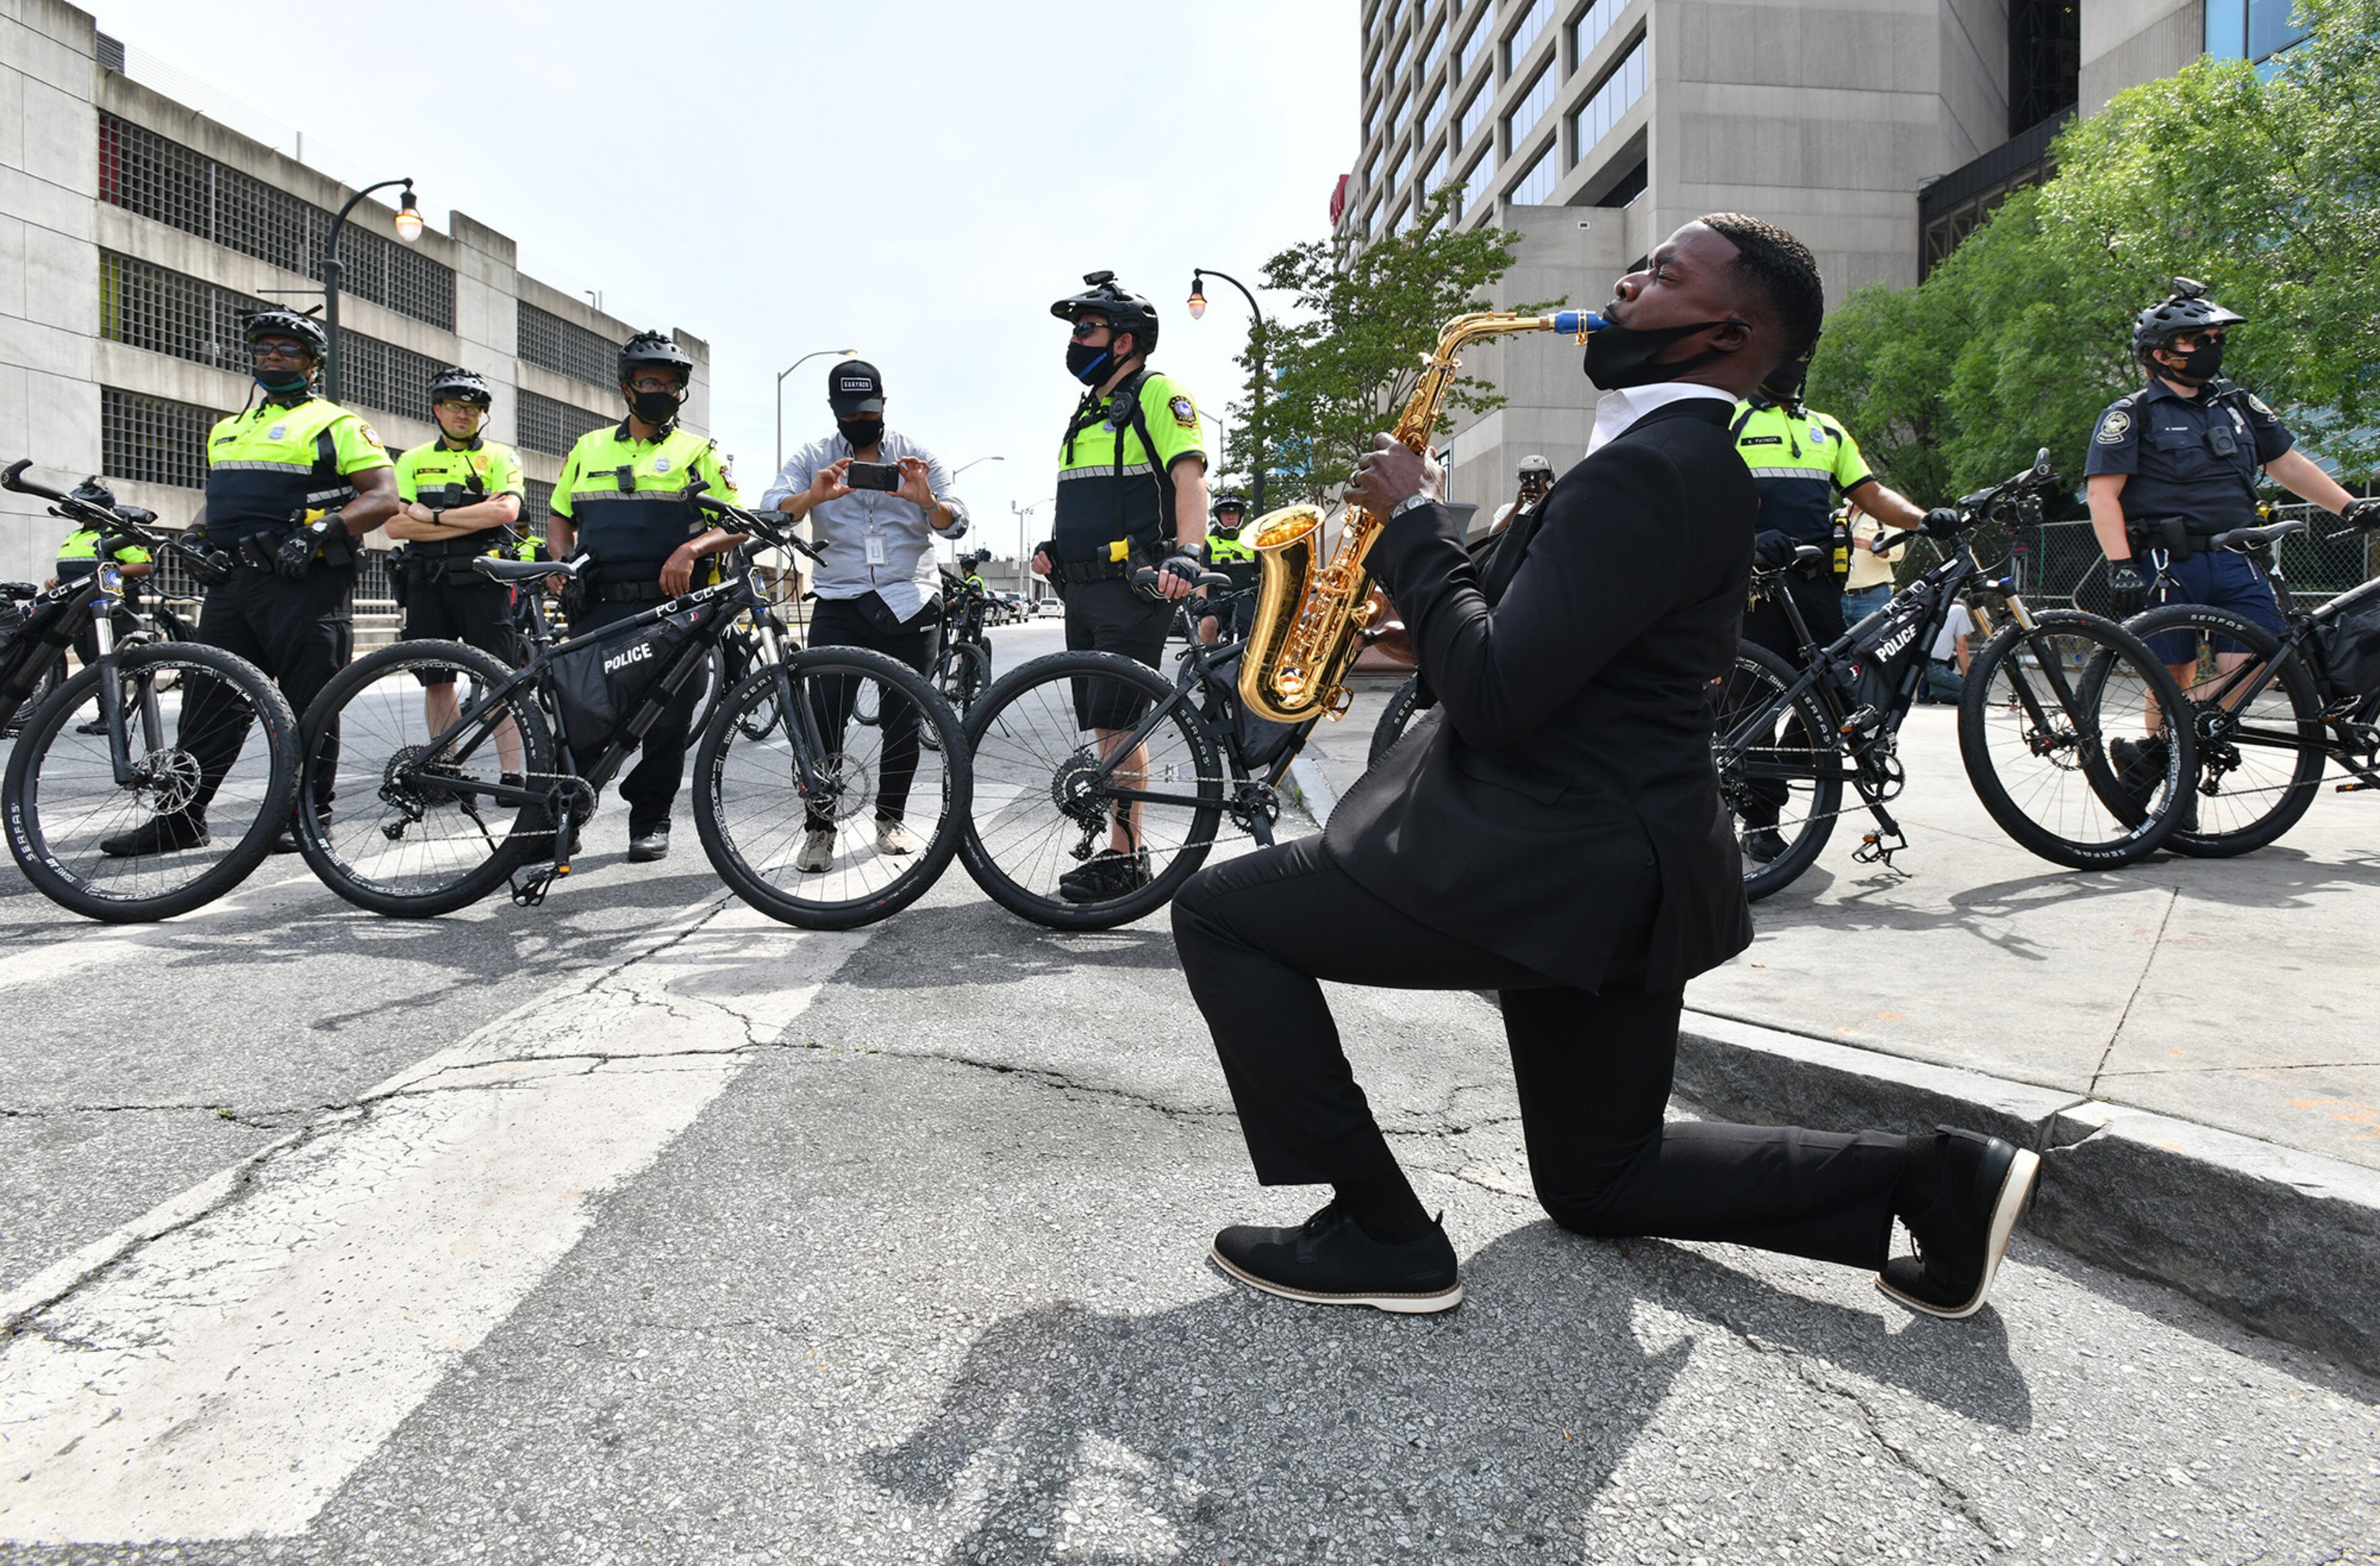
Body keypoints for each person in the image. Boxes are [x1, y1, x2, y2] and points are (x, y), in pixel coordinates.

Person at [1172, 214, 2040, 1323]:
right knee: (1600, 1178)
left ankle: (1379, 1229)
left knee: (1222, 914)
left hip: (1539, 858)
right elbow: (1527, 643)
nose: (1623, 284)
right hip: (1623, 875)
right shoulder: (1664, 463)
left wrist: (1415, 526)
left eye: (1661, 274)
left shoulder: (1653, 472)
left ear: (1726, 333)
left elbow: (1494, 691)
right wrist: (1385, 602)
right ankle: (1935, 1177)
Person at [101, 308, 400, 856]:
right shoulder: (227, 428)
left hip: (304, 582)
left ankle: (307, 814)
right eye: (263, 348)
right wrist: (194, 539)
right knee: (207, 699)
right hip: (233, 585)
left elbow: (383, 497)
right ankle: (181, 817)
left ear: (313, 365)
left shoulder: (338, 423)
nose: (272, 357)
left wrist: (321, 532)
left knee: (310, 701)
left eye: (286, 350)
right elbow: (220, 506)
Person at [2085, 278, 2378, 786]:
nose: (2212, 348)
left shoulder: (2238, 404)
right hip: (2166, 562)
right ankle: (2169, 772)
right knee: (2171, 675)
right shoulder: (2131, 414)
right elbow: (2102, 494)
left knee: (2249, 668)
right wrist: (2119, 564)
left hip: (2239, 559)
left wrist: (2349, 507)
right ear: (2161, 354)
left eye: (2217, 338)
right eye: (2199, 340)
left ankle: (2156, 757)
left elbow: (2288, 464)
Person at [1031, 271, 1208, 904]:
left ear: (1125, 340)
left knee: (1122, 731)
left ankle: (1127, 857)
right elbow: (1090, 495)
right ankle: (1122, 851)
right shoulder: (1091, 409)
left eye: (1087, 329)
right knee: (1107, 732)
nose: (1076, 341)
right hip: (1083, 590)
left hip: (1134, 588)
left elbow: (1188, 479)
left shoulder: (1157, 394)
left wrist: (1188, 551)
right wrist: (1056, 548)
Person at [1730, 356, 1944, 864]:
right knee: (1753, 707)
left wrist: (1924, 519)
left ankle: (1783, 768)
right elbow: (1705, 495)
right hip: (1757, 586)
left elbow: (1868, 494)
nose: (1792, 366)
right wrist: (1748, 539)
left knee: (1831, 701)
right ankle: (1760, 823)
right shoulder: (1732, 419)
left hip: (1818, 588)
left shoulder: (1827, 428)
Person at [760, 358, 969, 872]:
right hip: (840, 601)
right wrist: (812, 496)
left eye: (870, 411)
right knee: (823, 719)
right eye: (851, 414)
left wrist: (928, 503)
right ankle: (820, 829)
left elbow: (958, 523)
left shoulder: (917, 455)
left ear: (885, 405)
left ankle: (890, 819)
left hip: (911, 599)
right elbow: (770, 511)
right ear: (835, 411)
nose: (861, 421)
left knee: (904, 719)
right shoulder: (813, 456)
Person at [546, 330, 741, 863]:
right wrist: (560, 559)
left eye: (671, 384)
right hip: (599, 607)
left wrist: (690, 549)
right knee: (583, 712)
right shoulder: (588, 448)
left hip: (673, 611)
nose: (661, 390)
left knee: (670, 718)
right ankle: (565, 815)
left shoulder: (699, 452)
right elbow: (561, 514)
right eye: (649, 381)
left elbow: (736, 524)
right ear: (627, 387)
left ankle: (650, 819)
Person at [387, 367, 527, 773]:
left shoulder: (501, 456)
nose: (463, 415)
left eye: (472, 408)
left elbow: (506, 511)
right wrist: (472, 516)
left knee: (501, 679)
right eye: (454, 406)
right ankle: (445, 770)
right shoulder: (412, 460)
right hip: (427, 583)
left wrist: (429, 516)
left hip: (484, 581)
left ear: (482, 414)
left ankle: (513, 774)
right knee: (437, 680)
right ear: (437, 409)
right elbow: (395, 525)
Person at [1199, 491, 1258, 645]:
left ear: (1240, 516)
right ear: (1219, 517)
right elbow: (1203, 576)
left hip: (1246, 596)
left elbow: (1261, 575)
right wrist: (1201, 600)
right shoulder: (1208, 542)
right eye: (1226, 513)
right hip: (1218, 597)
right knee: (1207, 624)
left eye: (1235, 513)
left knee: (1258, 630)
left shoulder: (1251, 540)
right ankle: (1211, 664)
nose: (1231, 517)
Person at [1841, 504, 1905, 623]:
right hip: (1840, 597)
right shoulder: (1837, 516)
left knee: (1875, 640)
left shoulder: (1883, 514)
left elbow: (1898, 552)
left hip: (1872, 598)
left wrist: (1872, 546)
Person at [1919, 598, 1973, 704]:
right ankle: (1934, 692)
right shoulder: (1960, 610)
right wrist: (1967, 676)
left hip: (1924, 666)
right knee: (1974, 694)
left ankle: (1932, 692)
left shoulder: (1936, 612)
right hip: (1936, 668)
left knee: (1960, 694)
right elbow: (1961, 647)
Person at [1487, 454, 1556, 535]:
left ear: (1548, 477)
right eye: (1528, 475)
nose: (1534, 479)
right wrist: (1517, 507)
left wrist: (1546, 502)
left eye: (1541, 474)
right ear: (1522, 479)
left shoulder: (1557, 506)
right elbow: (1493, 537)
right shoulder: (1506, 510)